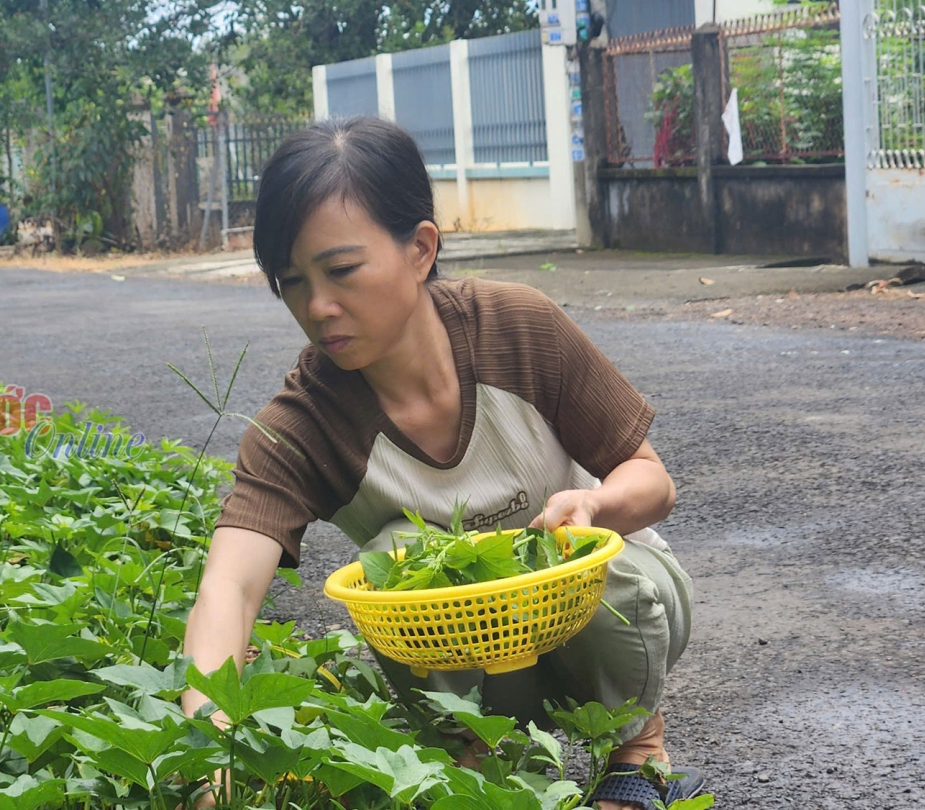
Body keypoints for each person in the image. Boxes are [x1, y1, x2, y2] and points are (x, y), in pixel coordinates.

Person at [180, 116, 698, 810]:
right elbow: (229, 590)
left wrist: (596, 507)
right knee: (395, 557)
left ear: (421, 248)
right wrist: (207, 768)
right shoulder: (303, 424)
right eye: (292, 281)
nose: (318, 306)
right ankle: (481, 761)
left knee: (603, 567)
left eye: (340, 271)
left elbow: (651, 480)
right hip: (473, 662)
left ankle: (639, 751)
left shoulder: (519, 328)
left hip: (602, 618)